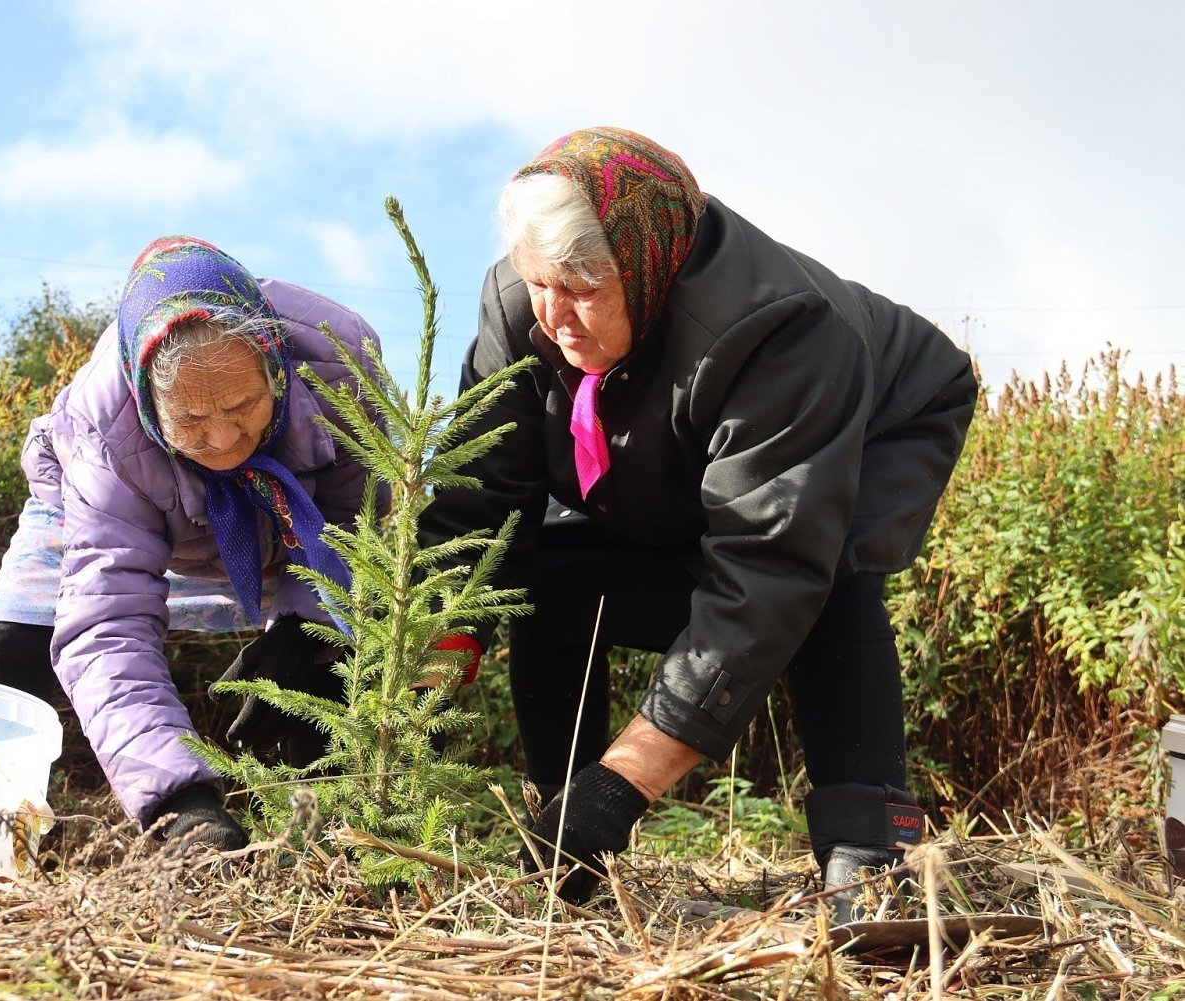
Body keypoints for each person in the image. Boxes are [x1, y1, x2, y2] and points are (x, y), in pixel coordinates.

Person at [417, 127, 978, 913]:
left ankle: (871, 847)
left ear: (648, 264)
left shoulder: (781, 329)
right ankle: (558, 823)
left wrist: (622, 787)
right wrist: (429, 657)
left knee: (827, 581)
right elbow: (479, 501)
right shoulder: (523, 308)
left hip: (883, 423)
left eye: (582, 287)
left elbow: (769, 567)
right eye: (538, 283)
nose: (556, 318)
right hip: (681, 441)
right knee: (550, 571)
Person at [0, 236, 384, 852]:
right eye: (189, 421)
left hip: (286, 515)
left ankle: (334, 847)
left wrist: (303, 631)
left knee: (325, 665)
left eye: (243, 406)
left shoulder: (340, 364)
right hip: (118, 507)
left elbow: (353, 521)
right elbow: (106, 621)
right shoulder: (102, 430)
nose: (223, 440)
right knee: (16, 635)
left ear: (276, 367)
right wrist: (177, 803)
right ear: (146, 400)